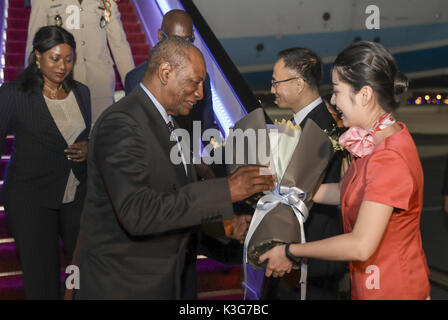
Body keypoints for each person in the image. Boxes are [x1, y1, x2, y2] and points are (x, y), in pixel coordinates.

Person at [71, 37, 275, 299]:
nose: (201, 93)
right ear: (165, 73)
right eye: (194, 82)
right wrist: (226, 189)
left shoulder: (171, 123)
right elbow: (138, 213)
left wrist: (223, 224)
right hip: (123, 285)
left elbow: (171, 200)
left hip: (160, 281)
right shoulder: (121, 123)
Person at [260, 41, 431, 300]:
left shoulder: (388, 158)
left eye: (337, 90)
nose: (332, 100)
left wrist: (291, 251)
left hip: (393, 290)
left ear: (364, 95)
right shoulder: (379, 139)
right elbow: (350, 191)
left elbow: (361, 245)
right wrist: (288, 189)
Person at [0, 26, 91, 299]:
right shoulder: (13, 94)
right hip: (30, 199)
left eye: (68, 58)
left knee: (81, 271)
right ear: (37, 57)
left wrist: (91, 147)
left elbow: (87, 137)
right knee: (42, 277)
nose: (62, 66)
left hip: (75, 196)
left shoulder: (82, 92)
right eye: (54, 58)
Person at [260, 48, 347, 300]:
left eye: (276, 82)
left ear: (298, 84)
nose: (272, 89)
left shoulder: (320, 127)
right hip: (299, 255)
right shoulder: (305, 123)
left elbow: (302, 193)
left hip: (312, 260)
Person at [26, 0, 135, 123]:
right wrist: (31, 86)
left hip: (101, 82)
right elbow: (34, 44)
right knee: (69, 137)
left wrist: (134, 87)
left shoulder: (106, 1)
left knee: (102, 135)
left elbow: (119, 45)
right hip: (64, 84)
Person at [125, 9, 219, 145]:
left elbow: (207, 129)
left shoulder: (200, 80)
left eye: (188, 41)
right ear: (160, 36)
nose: (184, 49)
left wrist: (221, 158)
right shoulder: (136, 79)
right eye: (176, 41)